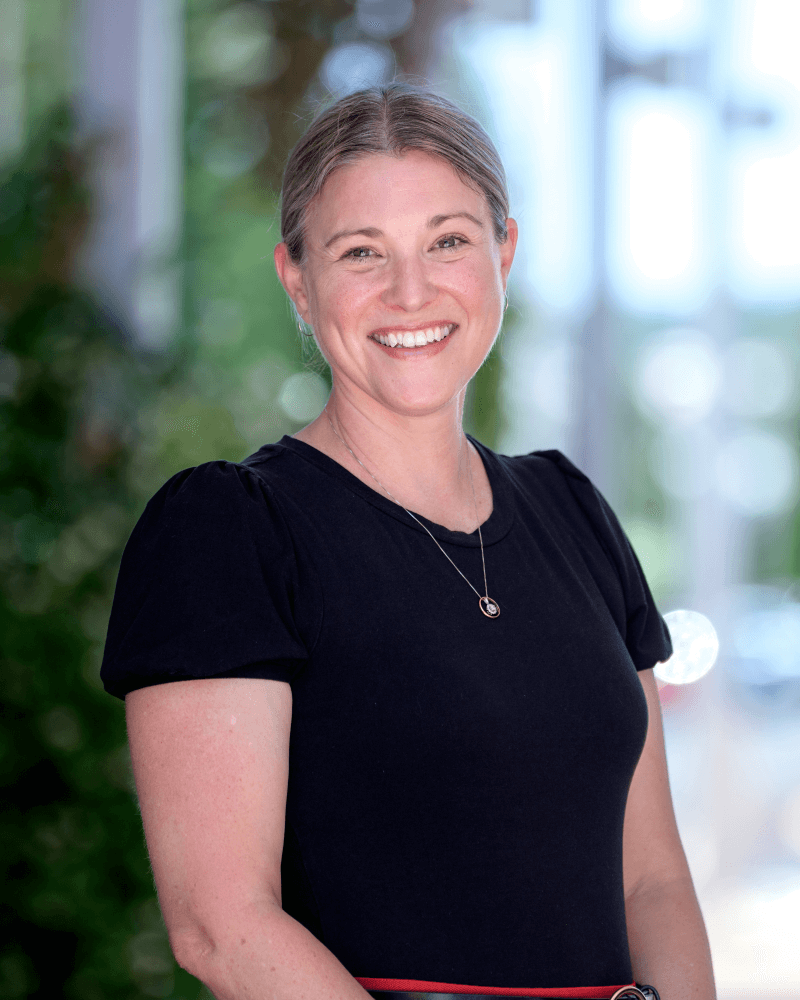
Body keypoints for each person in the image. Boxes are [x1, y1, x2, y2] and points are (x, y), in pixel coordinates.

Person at [101, 84, 716, 1000]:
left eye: (449, 240)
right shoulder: (229, 533)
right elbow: (222, 929)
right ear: (297, 280)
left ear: (504, 253)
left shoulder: (573, 511)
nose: (412, 291)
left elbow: (652, 879)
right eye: (361, 253)